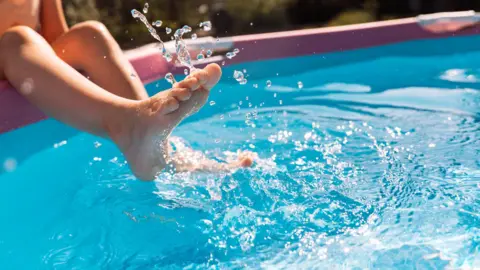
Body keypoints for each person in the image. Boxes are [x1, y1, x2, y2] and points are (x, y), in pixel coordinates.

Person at [0, 0, 254, 180]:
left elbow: (55, 39)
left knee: (89, 33)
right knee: (17, 38)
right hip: (9, 57)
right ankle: (126, 125)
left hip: (23, 62)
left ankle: (155, 141)